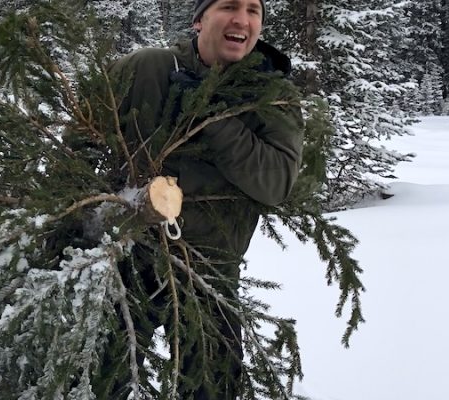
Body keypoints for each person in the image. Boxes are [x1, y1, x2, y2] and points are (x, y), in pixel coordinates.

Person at [96, 0, 304, 398]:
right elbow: (85, 137)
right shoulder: (148, 68)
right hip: (127, 258)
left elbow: (276, 183)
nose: (242, 19)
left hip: (211, 271)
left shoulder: (272, 93)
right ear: (199, 20)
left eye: (253, 10)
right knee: (99, 380)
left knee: (213, 388)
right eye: (229, 6)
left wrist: (212, 117)